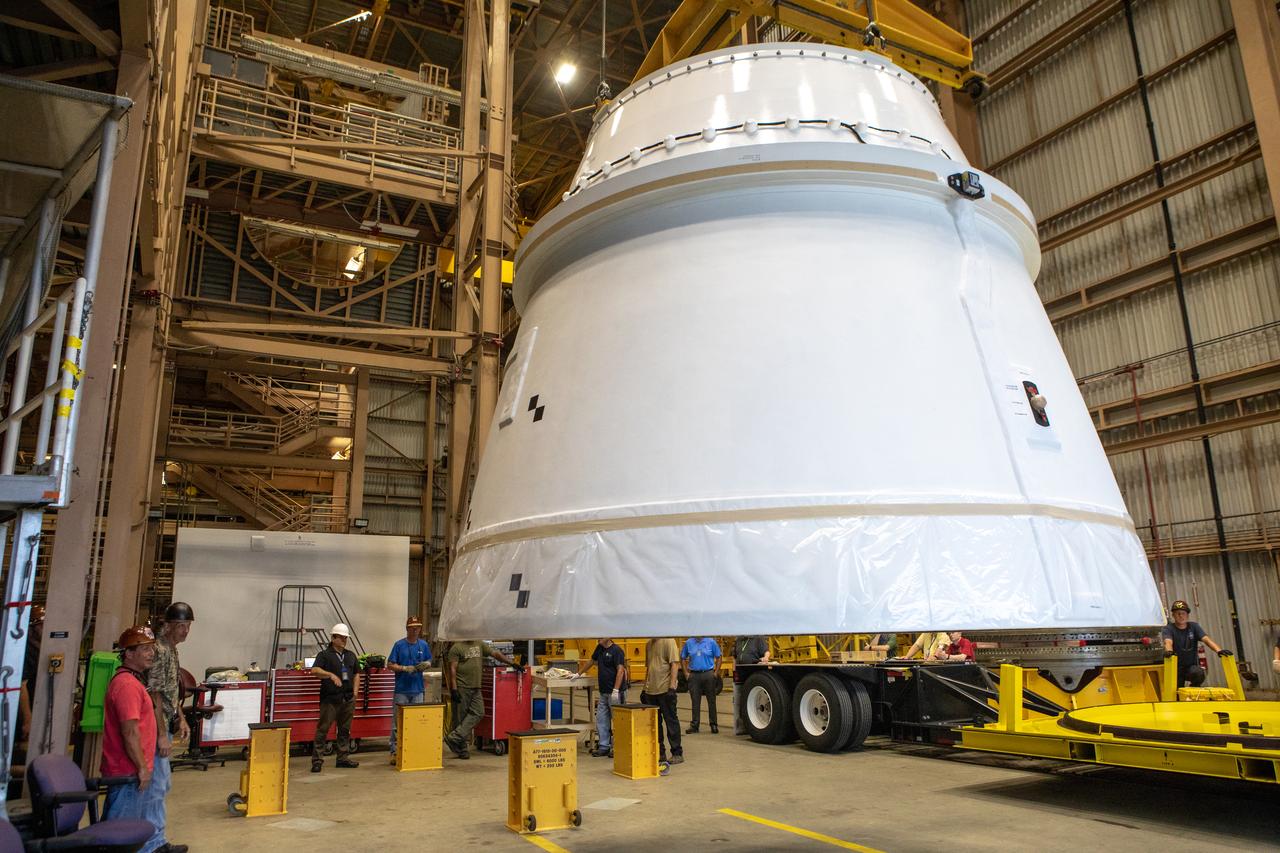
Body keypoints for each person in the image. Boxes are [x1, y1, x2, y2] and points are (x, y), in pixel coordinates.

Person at [102, 626, 187, 853]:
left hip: (133, 772)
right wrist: (142, 767)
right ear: (128, 653)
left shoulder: (136, 681)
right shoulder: (127, 685)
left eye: (151, 649)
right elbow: (130, 732)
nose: (151, 653)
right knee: (120, 836)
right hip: (127, 772)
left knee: (130, 832)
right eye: (144, 649)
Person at [144, 602, 194, 853]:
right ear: (168, 625)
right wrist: (161, 734)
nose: (185, 631)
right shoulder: (160, 650)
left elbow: (170, 691)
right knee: (156, 785)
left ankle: (156, 839)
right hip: (155, 726)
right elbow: (153, 694)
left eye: (188, 626)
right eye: (181, 626)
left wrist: (181, 717)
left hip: (166, 721)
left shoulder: (172, 649)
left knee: (162, 784)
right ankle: (152, 844)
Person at [443, 640, 522, 759]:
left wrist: (511, 663)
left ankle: (454, 737)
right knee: (460, 718)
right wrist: (454, 689)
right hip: (462, 687)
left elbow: (495, 654)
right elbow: (452, 669)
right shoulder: (456, 647)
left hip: (476, 687)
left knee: (479, 712)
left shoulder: (479, 644)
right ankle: (462, 749)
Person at [310, 623, 361, 772]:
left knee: (344, 730)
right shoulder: (324, 655)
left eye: (346, 638)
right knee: (323, 729)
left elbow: (357, 673)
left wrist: (355, 692)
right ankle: (317, 760)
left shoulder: (350, 655)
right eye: (342, 637)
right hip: (330, 700)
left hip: (348, 699)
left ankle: (342, 758)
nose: (344, 640)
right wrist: (330, 675)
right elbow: (315, 670)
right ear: (333, 638)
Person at [386, 615, 432, 761]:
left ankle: (413, 749)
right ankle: (395, 752)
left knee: (417, 721)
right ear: (407, 629)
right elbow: (390, 664)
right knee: (398, 722)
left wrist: (427, 664)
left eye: (417, 627)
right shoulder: (399, 645)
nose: (415, 630)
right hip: (402, 690)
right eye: (412, 628)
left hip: (417, 690)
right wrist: (404, 668)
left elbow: (429, 659)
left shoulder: (423, 645)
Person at [1162, 600, 1230, 687]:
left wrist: (1219, 651)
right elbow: (1168, 642)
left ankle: (1193, 690)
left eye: (1183, 613)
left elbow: (1206, 639)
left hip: (1190, 667)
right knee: (1176, 693)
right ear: (1173, 615)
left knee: (1199, 673)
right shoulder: (1168, 629)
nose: (1181, 616)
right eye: (1178, 613)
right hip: (1175, 668)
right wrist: (1169, 651)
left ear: (1187, 615)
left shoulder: (1194, 627)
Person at [578, 638, 628, 758]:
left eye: (601, 636)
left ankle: (618, 747)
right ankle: (604, 746)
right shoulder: (599, 649)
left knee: (618, 720)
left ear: (609, 637)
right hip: (603, 692)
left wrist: (616, 690)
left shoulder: (617, 651)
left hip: (615, 693)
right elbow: (591, 661)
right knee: (601, 719)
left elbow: (620, 671)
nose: (598, 638)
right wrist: (578, 673)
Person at [640, 638, 683, 764]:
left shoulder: (669, 641)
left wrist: (671, 687)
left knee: (671, 722)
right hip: (651, 692)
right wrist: (644, 688)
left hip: (665, 690)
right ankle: (660, 752)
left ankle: (677, 752)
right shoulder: (648, 644)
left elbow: (674, 664)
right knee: (655, 725)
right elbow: (649, 668)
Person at [681, 636, 722, 734]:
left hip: (708, 673)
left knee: (711, 700)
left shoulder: (711, 642)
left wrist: (716, 673)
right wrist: (686, 673)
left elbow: (719, 657)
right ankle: (695, 725)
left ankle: (713, 724)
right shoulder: (689, 643)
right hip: (694, 675)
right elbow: (682, 658)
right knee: (695, 700)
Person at [732, 637, 771, 735]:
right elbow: (735, 657)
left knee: (750, 700)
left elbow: (766, 652)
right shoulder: (739, 640)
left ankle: (751, 724)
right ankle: (741, 726)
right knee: (739, 700)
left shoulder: (758, 639)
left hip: (753, 672)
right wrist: (734, 671)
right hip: (741, 673)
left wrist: (766, 658)